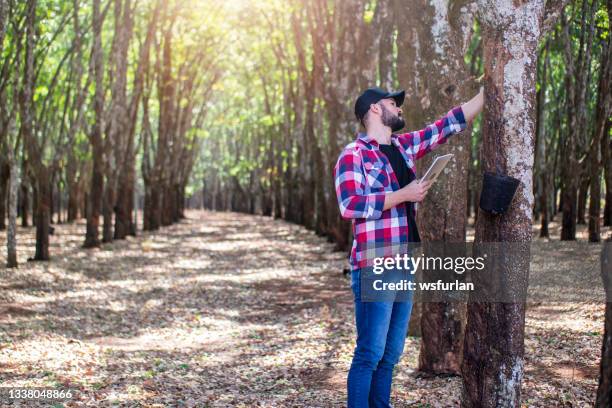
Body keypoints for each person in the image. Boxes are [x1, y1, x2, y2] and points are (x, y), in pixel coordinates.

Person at [333, 86, 484, 407]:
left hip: (403, 262)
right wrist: (403, 195)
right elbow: (349, 204)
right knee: (369, 353)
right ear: (374, 109)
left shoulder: (402, 147)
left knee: (390, 354)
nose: (399, 108)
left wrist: (485, 95)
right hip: (374, 262)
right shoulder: (354, 154)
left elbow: (444, 127)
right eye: (393, 103)